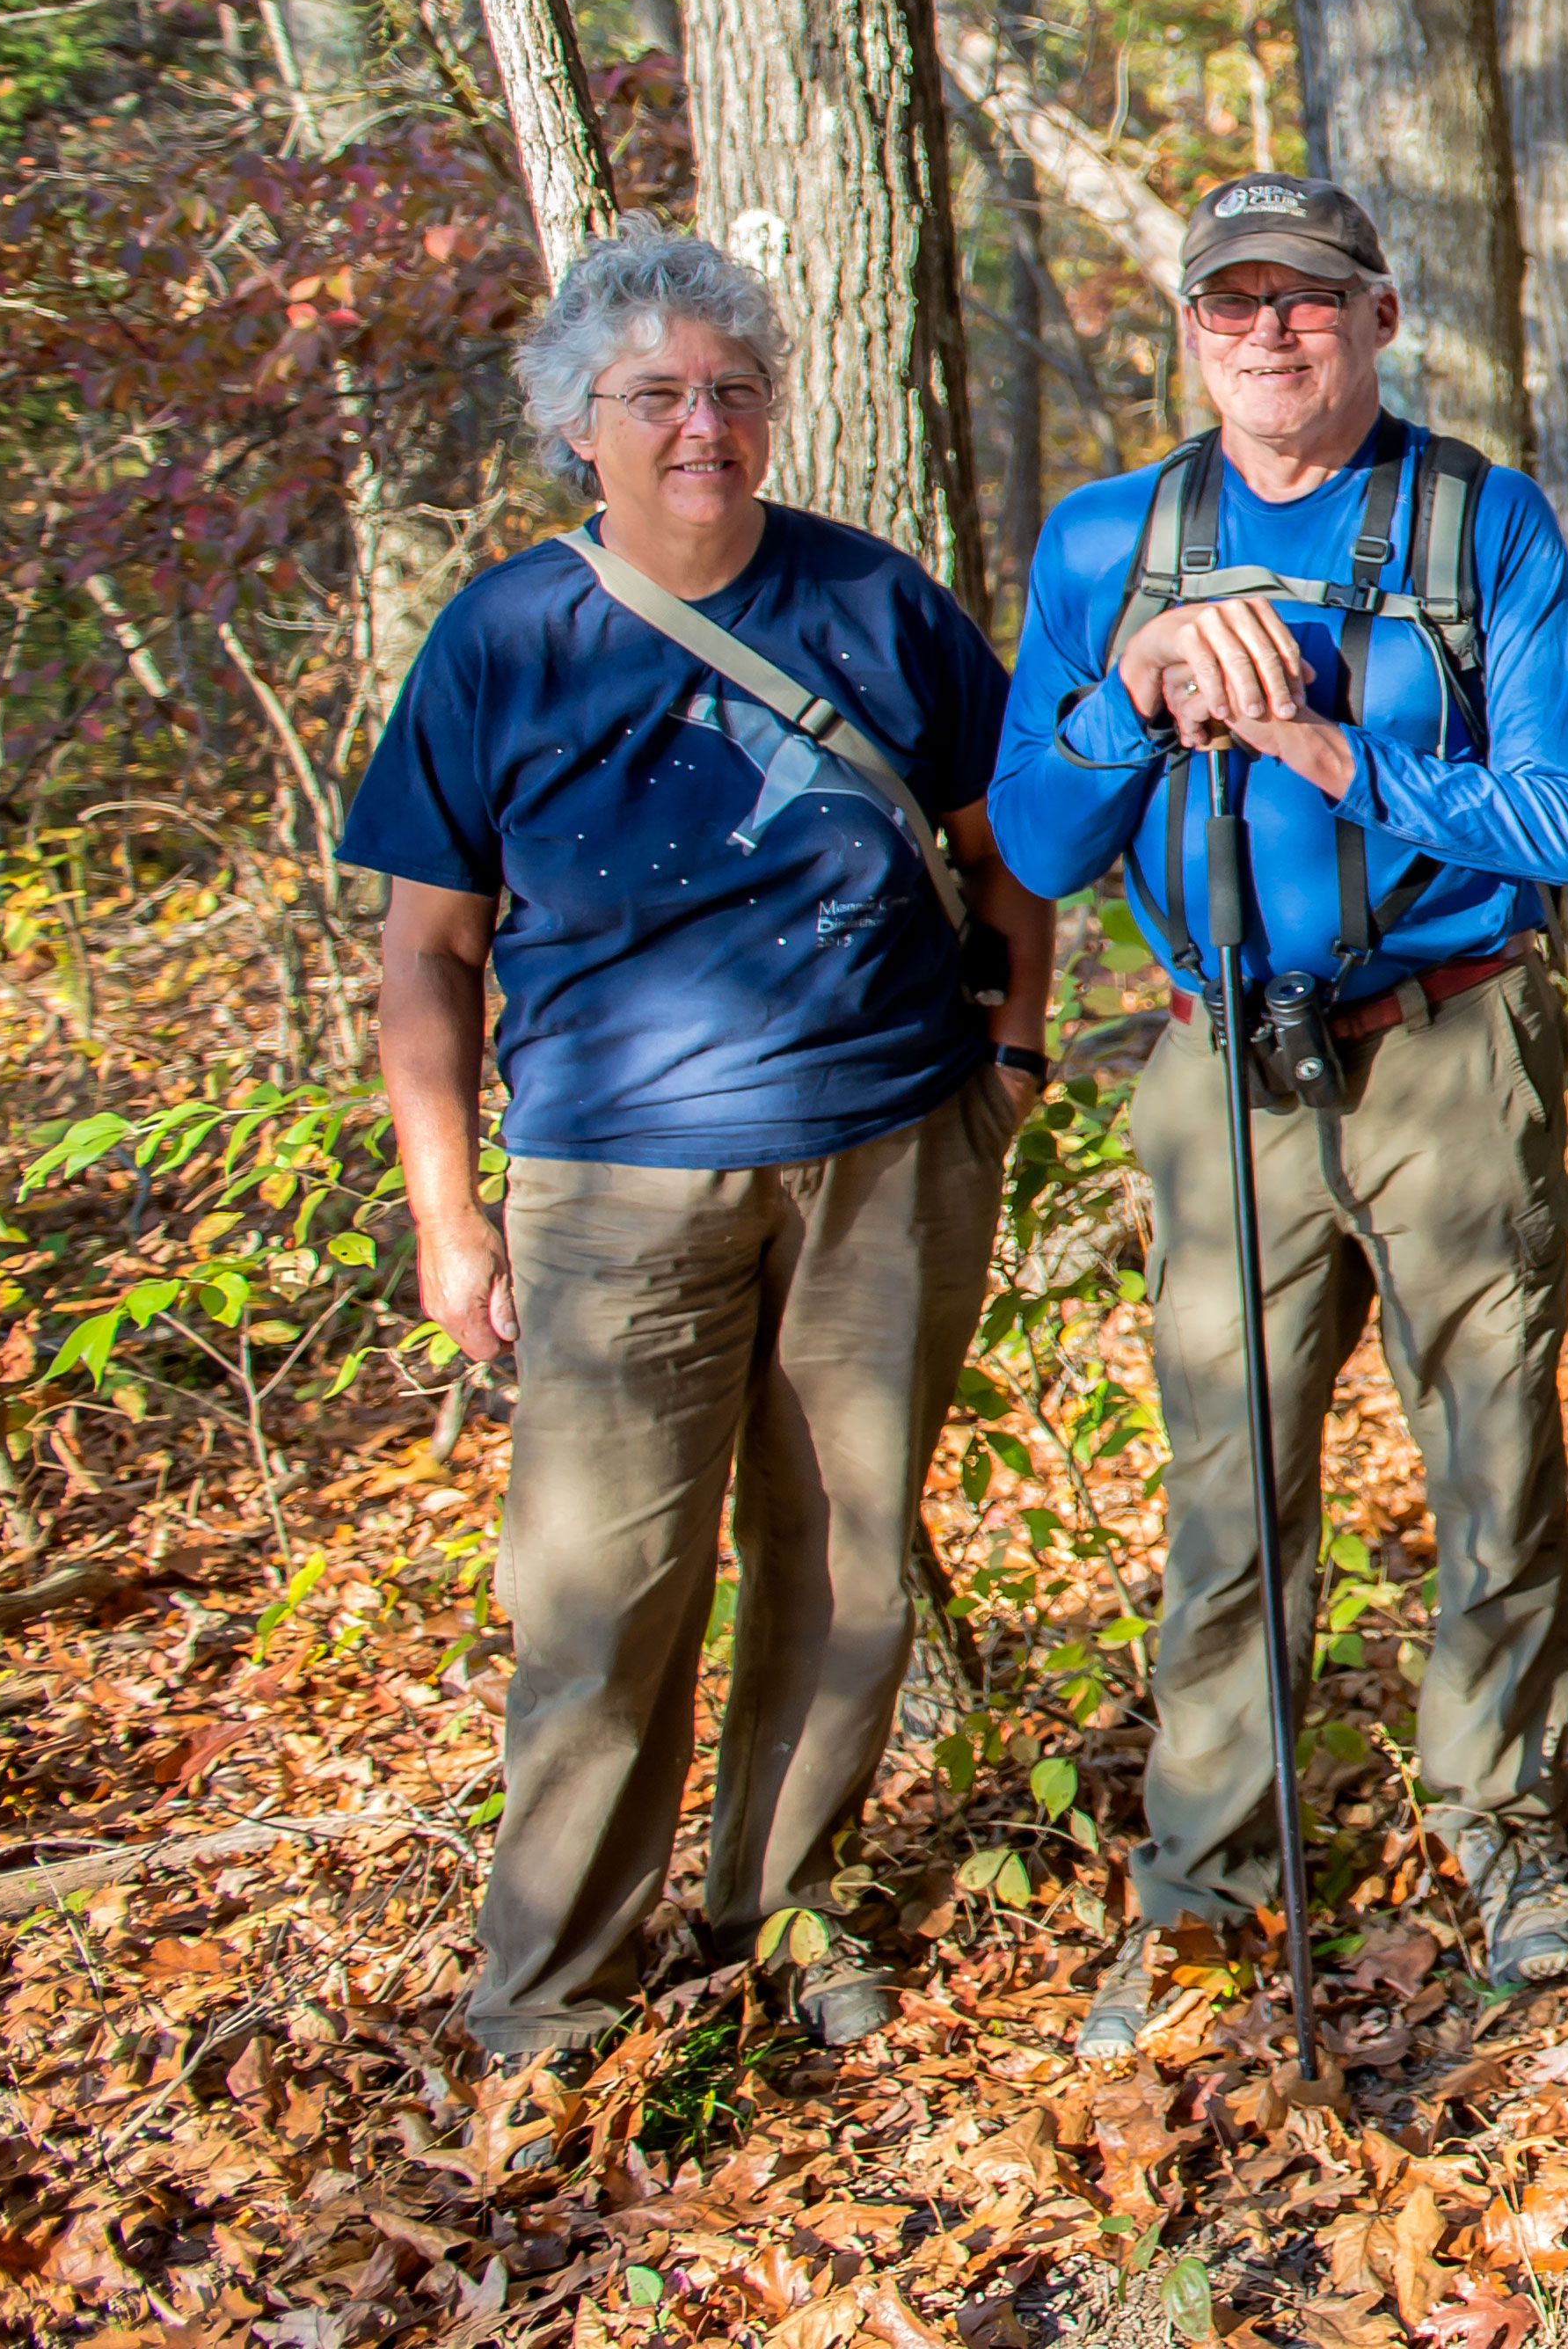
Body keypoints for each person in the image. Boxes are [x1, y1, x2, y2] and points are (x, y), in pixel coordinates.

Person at [348, 220, 1054, 2066]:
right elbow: (425, 949)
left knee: (845, 1569)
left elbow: (1007, 850)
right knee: (605, 1596)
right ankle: (552, 1993)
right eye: (657, 394)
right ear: (580, 423)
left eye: (733, 391)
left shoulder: (872, 600)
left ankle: (779, 1914)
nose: (701, 427)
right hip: (612, 1182)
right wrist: (446, 1215)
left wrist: (1017, 1054)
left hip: (888, 1147)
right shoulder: (505, 637)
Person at [987, 174, 1568, 2049]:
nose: (1270, 330)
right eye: (1230, 301)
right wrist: (1138, 693)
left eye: (1310, 297)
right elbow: (1031, 835)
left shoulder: (1478, 520)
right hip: (1212, 1069)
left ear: (1381, 311)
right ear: (1188, 328)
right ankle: (1206, 1884)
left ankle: (1499, 1824)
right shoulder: (1113, 540)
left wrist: (1347, 752)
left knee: (1489, 1455)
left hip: (1445, 1039)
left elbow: (1559, 820)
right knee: (1227, 1494)